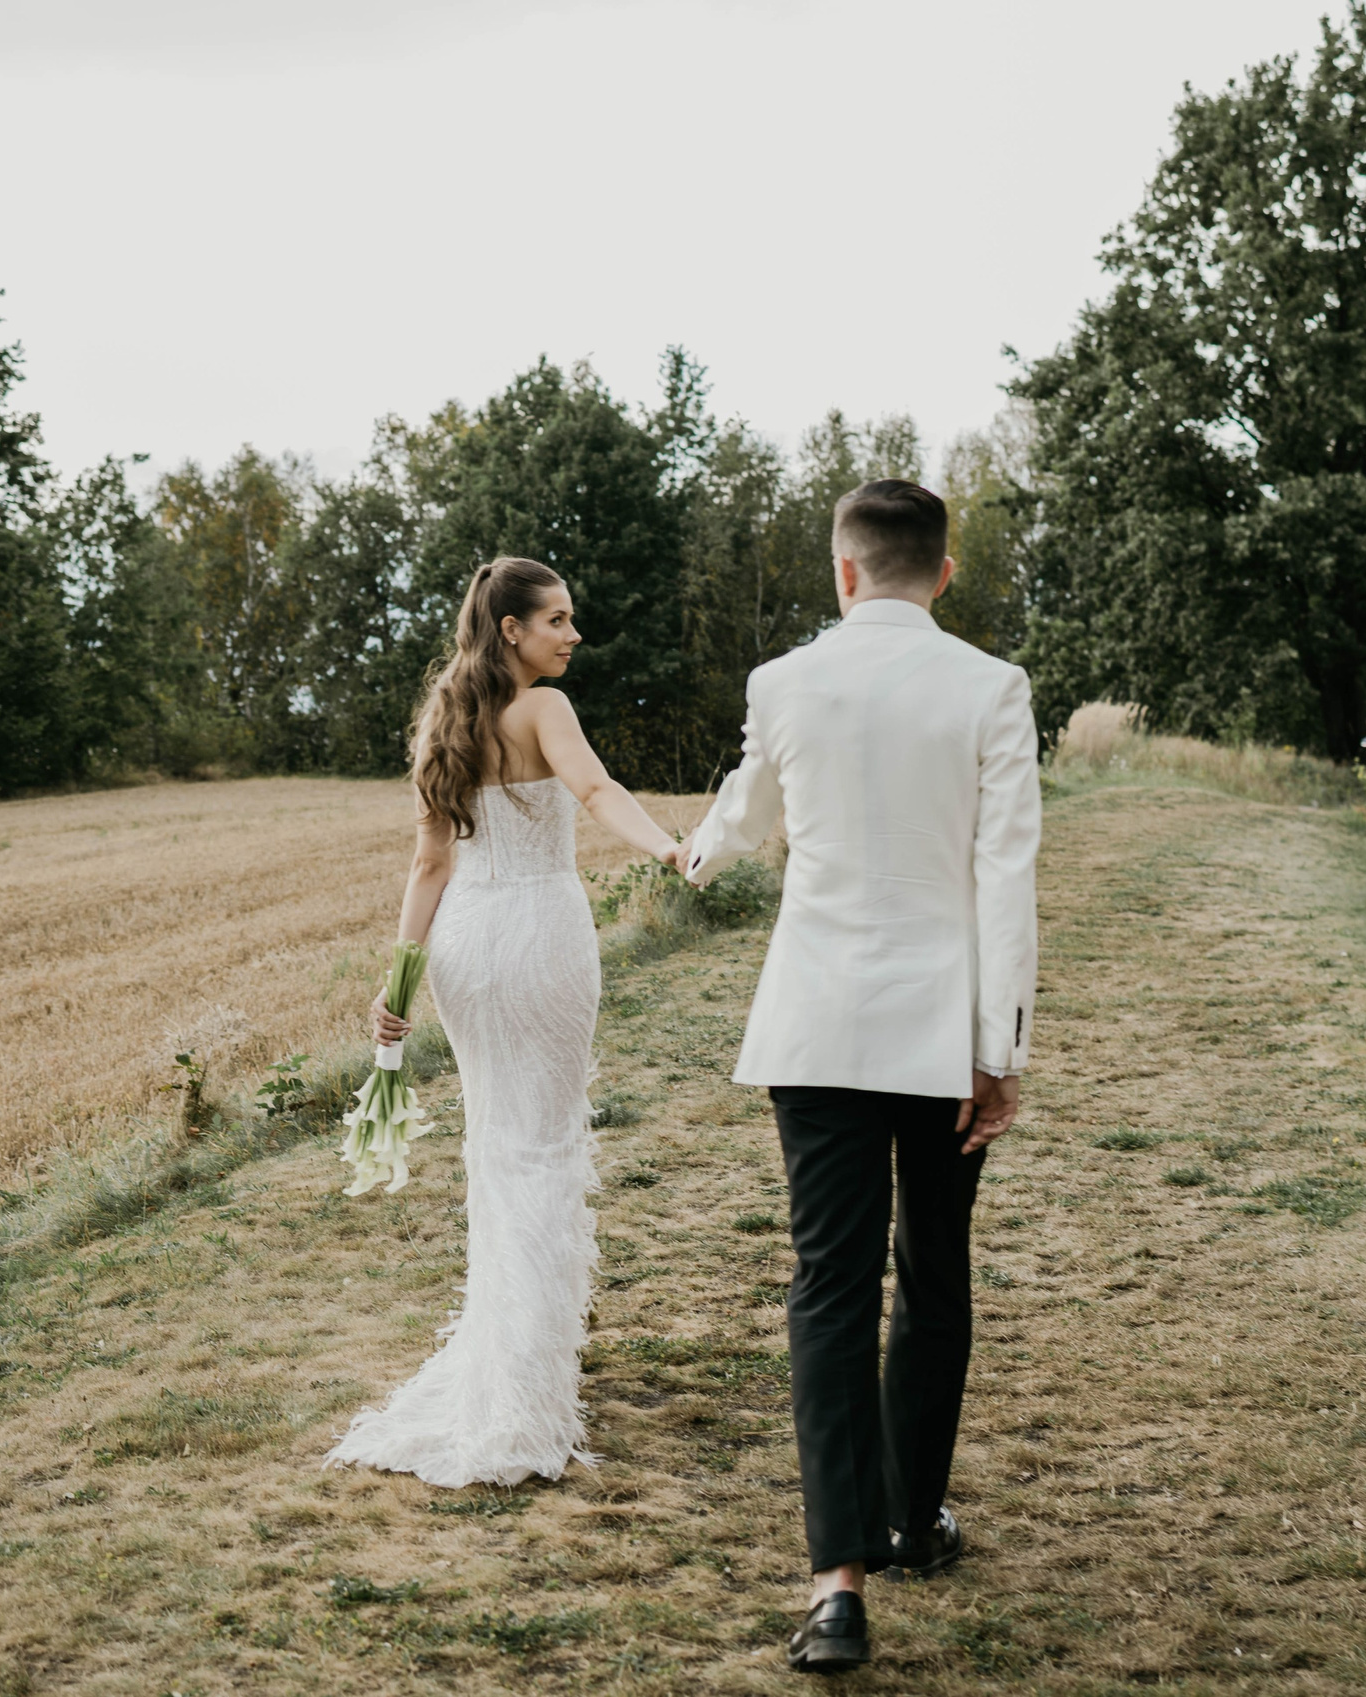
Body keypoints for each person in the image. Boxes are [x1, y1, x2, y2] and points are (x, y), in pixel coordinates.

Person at [681, 480, 1039, 1675]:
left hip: (820, 1024)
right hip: (942, 1034)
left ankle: (839, 1581)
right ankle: (911, 1517)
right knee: (931, 1274)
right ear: (944, 574)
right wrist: (1001, 1052)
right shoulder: (990, 687)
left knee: (827, 1283)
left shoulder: (783, 683)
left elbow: (751, 800)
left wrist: (701, 846)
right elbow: (1006, 879)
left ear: (842, 572)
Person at [325, 556, 684, 1487]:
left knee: (499, 1147)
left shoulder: (448, 719)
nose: (573, 635)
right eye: (558, 619)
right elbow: (596, 793)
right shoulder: (545, 711)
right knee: (543, 1148)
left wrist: (399, 981)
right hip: (538, 937)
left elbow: (428, 867)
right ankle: (525, 1396)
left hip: (464, 949)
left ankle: (511, 1365)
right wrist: (668, 849)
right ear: (512, 630)